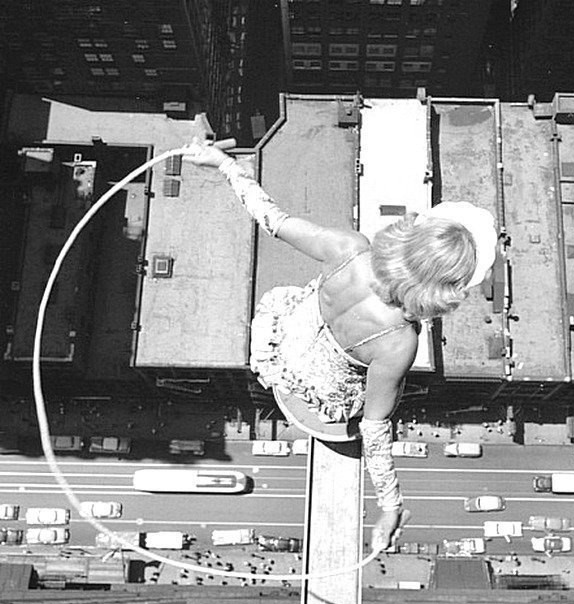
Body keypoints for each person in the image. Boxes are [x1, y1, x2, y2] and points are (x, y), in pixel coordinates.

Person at [183, 139, 497, 552]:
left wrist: (225, 164)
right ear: (445, 290)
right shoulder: (399, 341)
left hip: (280, 349)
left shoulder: (351, 249)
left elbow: (272, 218)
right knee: (389, 391)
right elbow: (374, 429)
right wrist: (391, 506)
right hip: (314, 403)